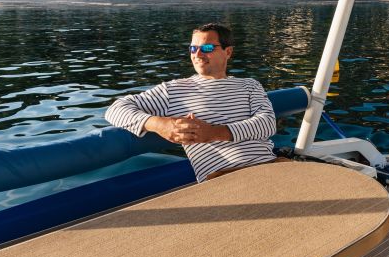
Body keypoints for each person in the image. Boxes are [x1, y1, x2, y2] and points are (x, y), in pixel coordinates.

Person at [105, 22, 276, 181]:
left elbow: (268, 123)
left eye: (207, 48)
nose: (198, 55)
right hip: (223, 176)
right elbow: (116, 109)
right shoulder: (174, 90)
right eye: (193, 48)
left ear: (228, 52)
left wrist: (213, 133)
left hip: (272, 165)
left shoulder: (249, 85)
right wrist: (160, 125)